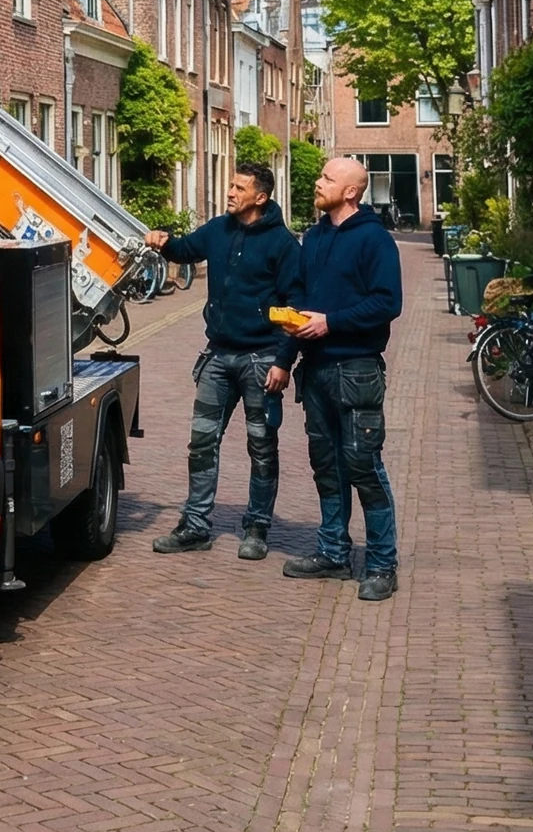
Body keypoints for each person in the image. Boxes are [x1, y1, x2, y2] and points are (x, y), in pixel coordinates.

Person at [144, 160, 301, 562]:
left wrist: (283, 361)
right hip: (217, 356)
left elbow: (294, 306)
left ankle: (257, 527)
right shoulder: (218, 229)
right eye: (230, 186)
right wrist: (164, 240)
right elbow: (185, 250)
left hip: (261, 359)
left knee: (262, 446)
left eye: (238, 188)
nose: (230, 192)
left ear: (260, 197)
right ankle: (195, 525)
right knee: (201, 442)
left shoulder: (282, 244)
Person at [274, 153, 404, 602]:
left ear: (350, 191)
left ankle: (382, 564)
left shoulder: (375, 240)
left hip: (356, 370)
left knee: (363, 466)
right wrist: (283, 357)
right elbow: (299, 297)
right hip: (316, 372)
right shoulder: (313, 238)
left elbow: (387, 303)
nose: (317, 181)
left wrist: (332, 322)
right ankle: (333, 552)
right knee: (326, 468)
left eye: (327, 178)